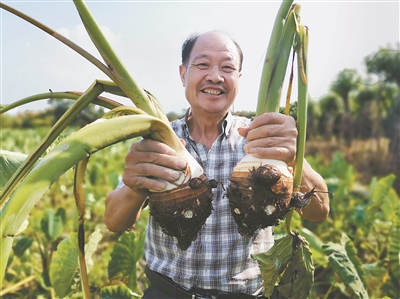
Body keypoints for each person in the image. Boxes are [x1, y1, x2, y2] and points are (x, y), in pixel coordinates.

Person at [105, 30, 330, 299]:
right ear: (183, 73)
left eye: (227, 68)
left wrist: (294, 157)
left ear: (238, 79)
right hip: (167, 292)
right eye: (202, 64)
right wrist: (135, 184)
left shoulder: (263, 139)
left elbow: (320, 212)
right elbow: (114, 222)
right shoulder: (160, 142)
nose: (215, 76)